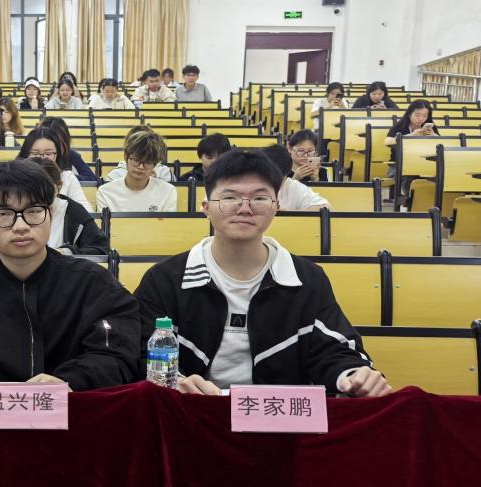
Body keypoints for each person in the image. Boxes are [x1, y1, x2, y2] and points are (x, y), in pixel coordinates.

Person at [133, 150, 390, 397]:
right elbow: (140, 352)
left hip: (277, 417)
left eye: (259, 198)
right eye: (230, 197)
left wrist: (353, 374)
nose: (245, 208)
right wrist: (175, 383)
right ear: (206, 207)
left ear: (276, 206)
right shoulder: (165, 280)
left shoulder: (307, 279)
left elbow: (335, 348)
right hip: (191, 413)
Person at [0, 158, 139, 392]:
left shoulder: (95, 286)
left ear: (51, 213)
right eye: (3, 213)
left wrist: (71, 381)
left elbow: (118, 355)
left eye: (34, 211)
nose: (20, 226)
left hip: (73, 410)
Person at [0, 157, 108, 256]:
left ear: (59, 187)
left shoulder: (72, 209)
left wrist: (66, 252)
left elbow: (100, 249)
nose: (20, 226)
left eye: (34, 210)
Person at [95, 129, 178, 213]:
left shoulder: (168, 191)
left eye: (148, 162)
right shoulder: (105, 192)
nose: (141, 167)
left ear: (155, 164)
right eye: (136, 160)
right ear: (126, 157)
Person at [18, 127, 92, 211]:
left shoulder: (67, 177)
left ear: (57, 155)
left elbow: (86, 211)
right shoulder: (16, 177)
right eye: (35, 153)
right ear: (25, 155)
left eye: (48, 153)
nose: (42, 158)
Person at [385, 99, 438, 203]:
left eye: (425, 116)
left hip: (423, 165)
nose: (421, 119)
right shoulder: (400, 126)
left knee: (437, 175)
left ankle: (426, 202)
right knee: (409, 177)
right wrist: (411, 135)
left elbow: (441, 145)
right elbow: (387, 142)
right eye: (417, 115)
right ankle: (409, 202)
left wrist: (434, 135)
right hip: (399, 166)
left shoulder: (430, 127)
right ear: (410, 114)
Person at [261, 145, 330, 211]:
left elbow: (327, 208)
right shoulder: (255, 185)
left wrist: (288, 214)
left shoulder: (294, 187)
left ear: (285, 174)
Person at [104, 125, 175, 183]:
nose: (141, 167)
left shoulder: (164, 172)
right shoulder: (115, 174)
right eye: (136, 160)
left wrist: (154, 183)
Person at [38, 116, 98, 182]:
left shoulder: (71, 154)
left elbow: (91, 179)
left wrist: (66, 177)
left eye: (57, 142)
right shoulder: (33, 154)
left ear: (65, 141)